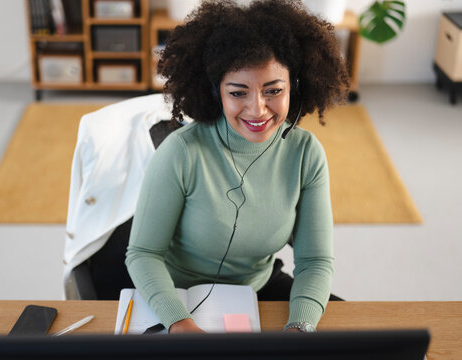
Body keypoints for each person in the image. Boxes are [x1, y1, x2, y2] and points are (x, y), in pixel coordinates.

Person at [125, 0, 349, 334]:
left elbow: (315, 261)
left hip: (253, 288)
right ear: (217, 92)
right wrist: (179, 324)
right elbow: (143, 254)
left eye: (273, 90)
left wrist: (300, 329)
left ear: (294, 88)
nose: (257, 110)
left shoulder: (305, 154)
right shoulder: (182, 152)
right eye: (238, 92)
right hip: (176, 295)